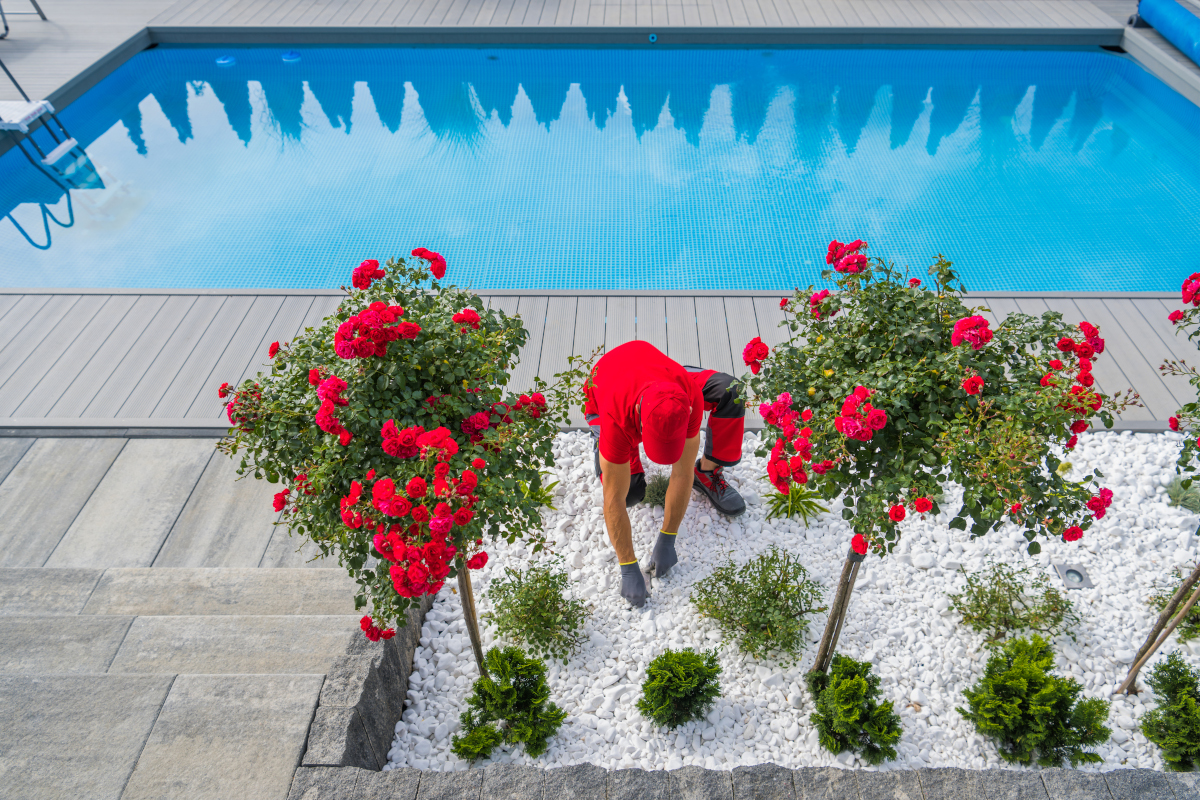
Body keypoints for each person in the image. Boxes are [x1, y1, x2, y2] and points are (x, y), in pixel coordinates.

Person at [584, 340, 746, 607]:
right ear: (640, 420)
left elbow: (681, 475)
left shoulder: (689, 396)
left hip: (663, 377)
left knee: (732, 391)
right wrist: (627, 565)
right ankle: (598, 439)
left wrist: (668, 536)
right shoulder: (617, 417)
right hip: (606, 384)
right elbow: (612, 500)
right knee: (630, 494)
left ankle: (709, 472)